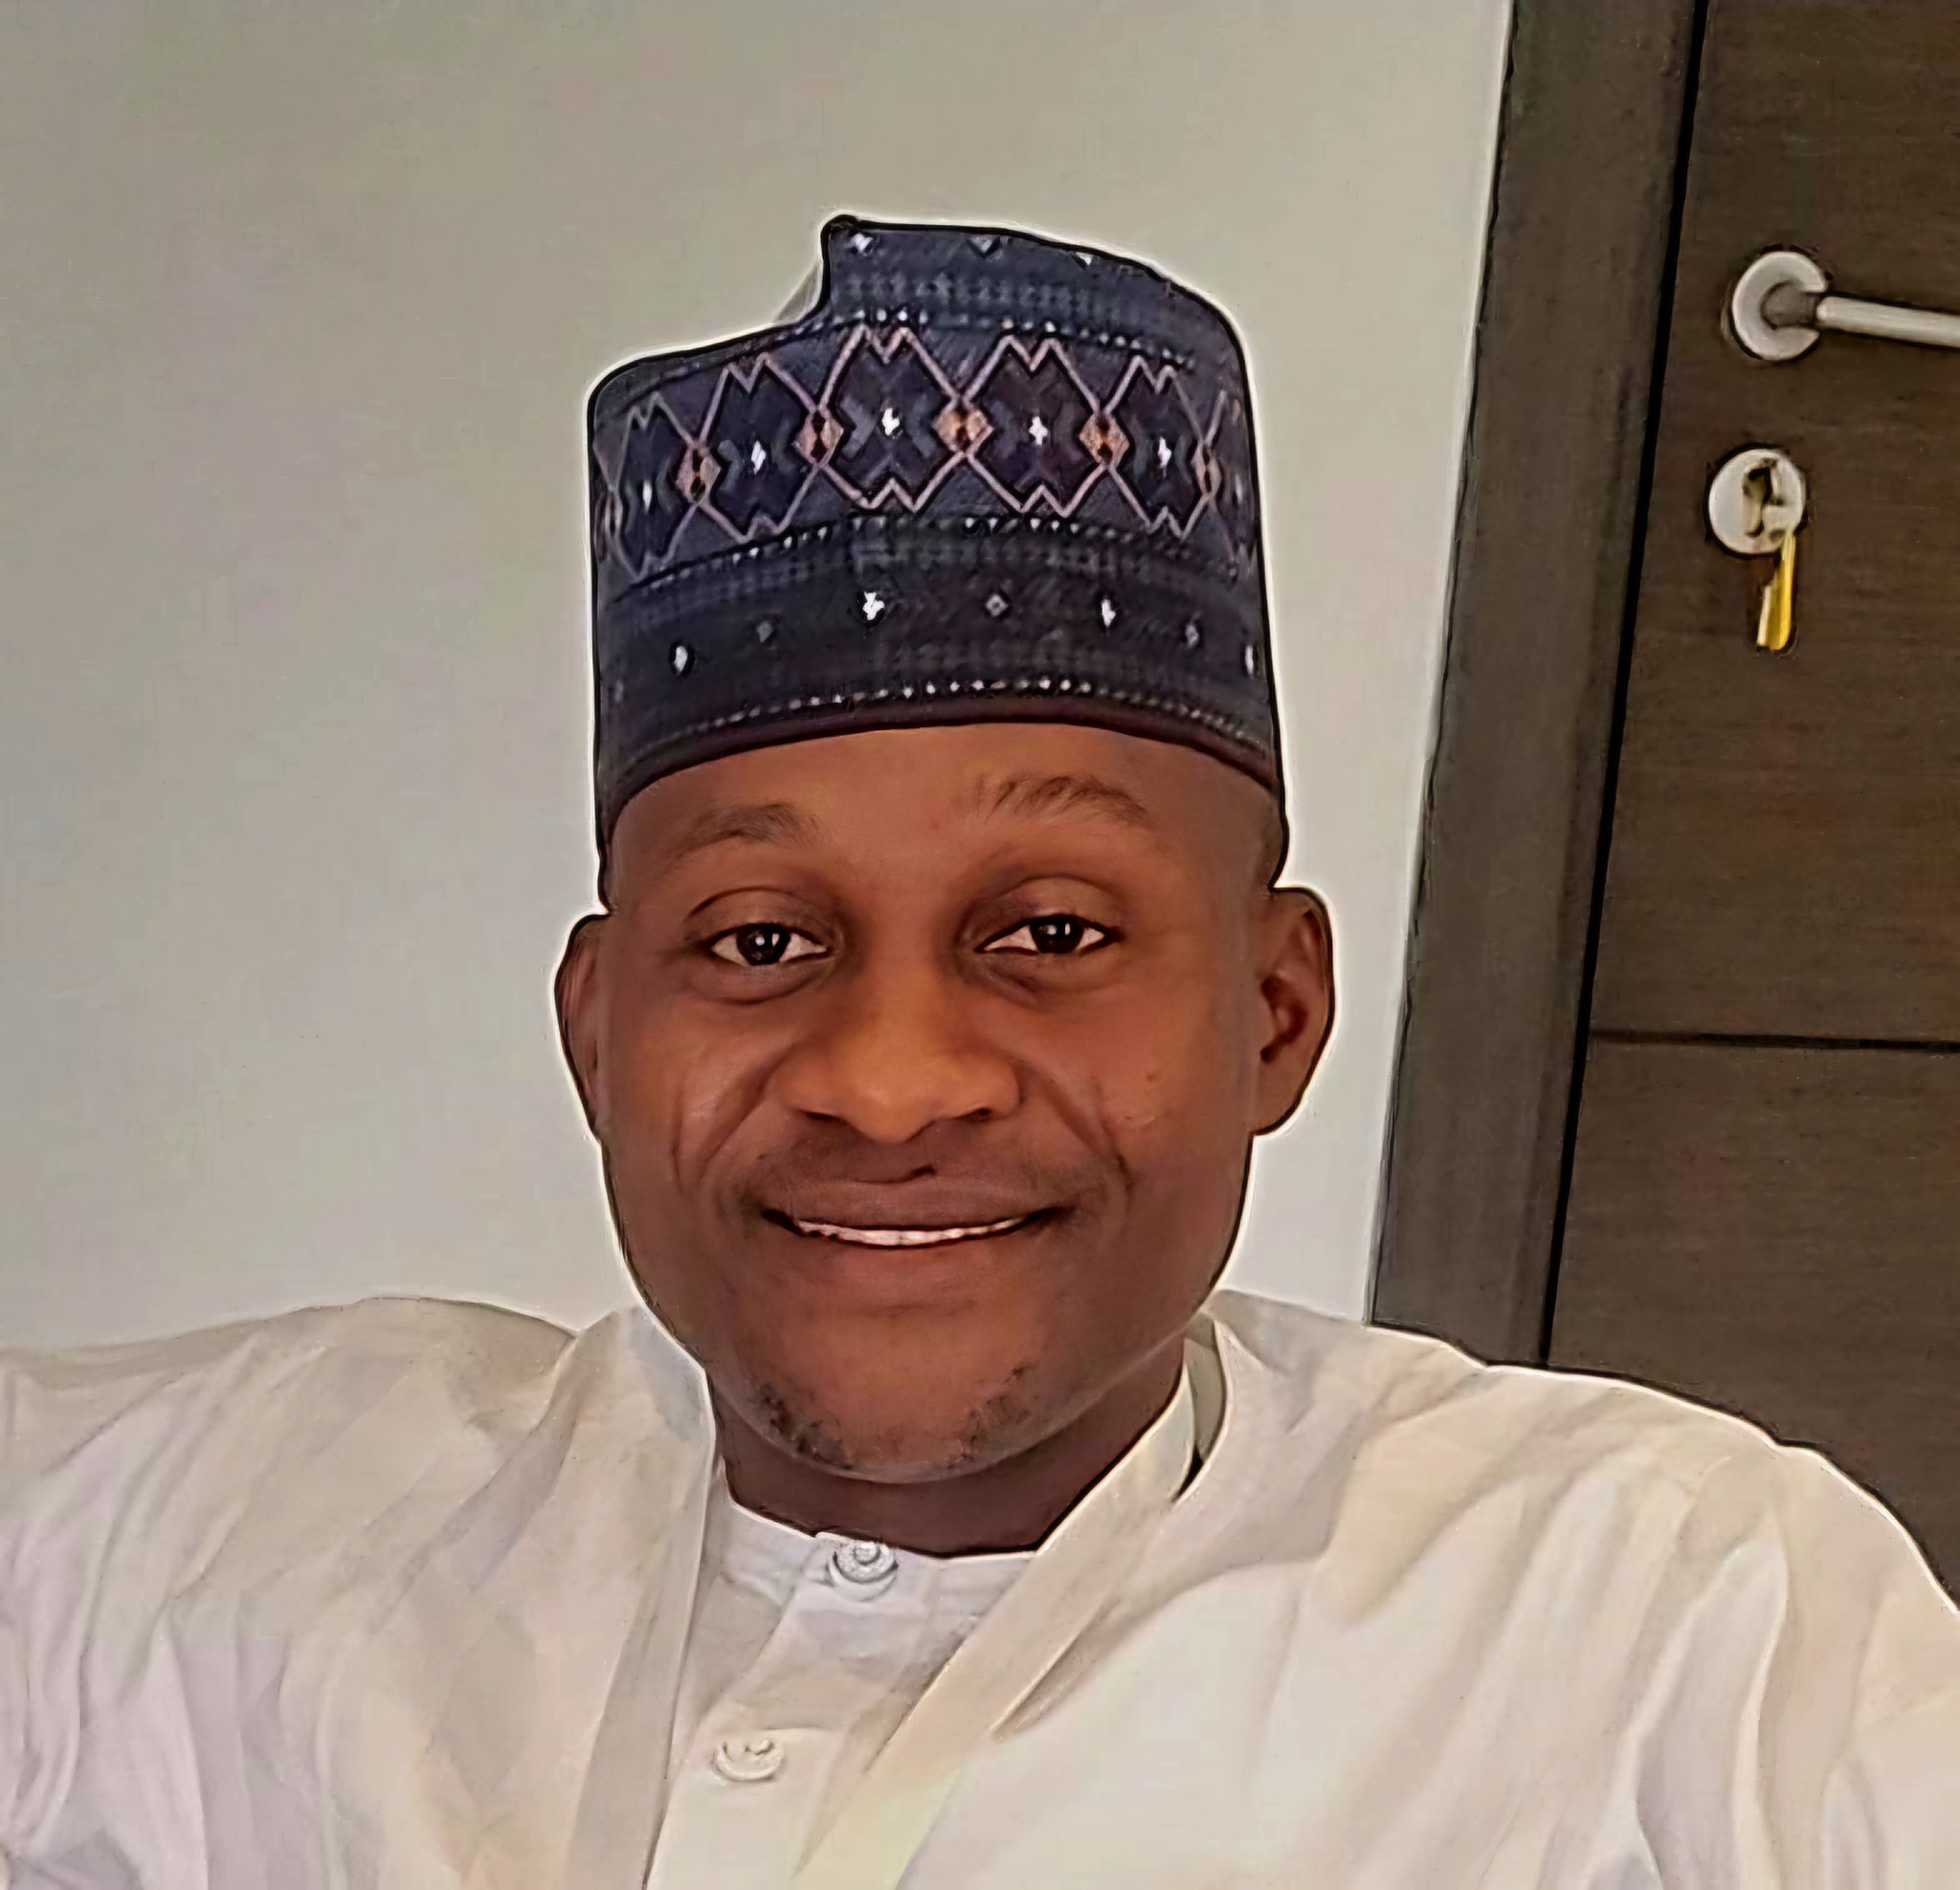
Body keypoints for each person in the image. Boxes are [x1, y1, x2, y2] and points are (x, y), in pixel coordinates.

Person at [2, 215, 1955, 1890]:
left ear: (1273, 1011)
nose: (889, 1080)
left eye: (1051, 935)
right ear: (597, 1033)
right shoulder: (235, 1511)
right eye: (760, 942)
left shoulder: (1665, 1626)